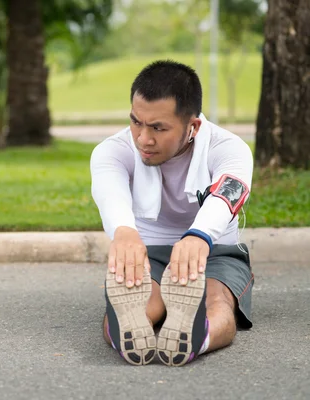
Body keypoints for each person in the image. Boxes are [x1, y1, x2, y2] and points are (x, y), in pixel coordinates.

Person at [90, 60, 254, 366]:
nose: (143, 138)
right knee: (137, 301)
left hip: (215, 250)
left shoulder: (229, 147)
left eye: (158, 128)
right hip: (147, 251)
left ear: (192, 127)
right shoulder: (112, 149)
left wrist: (199, 235)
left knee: (216, 300)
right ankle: (129, 326)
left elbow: (229, 193)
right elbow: (108, 191)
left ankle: (196, 337)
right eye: (136, 121)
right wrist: (124, 231)